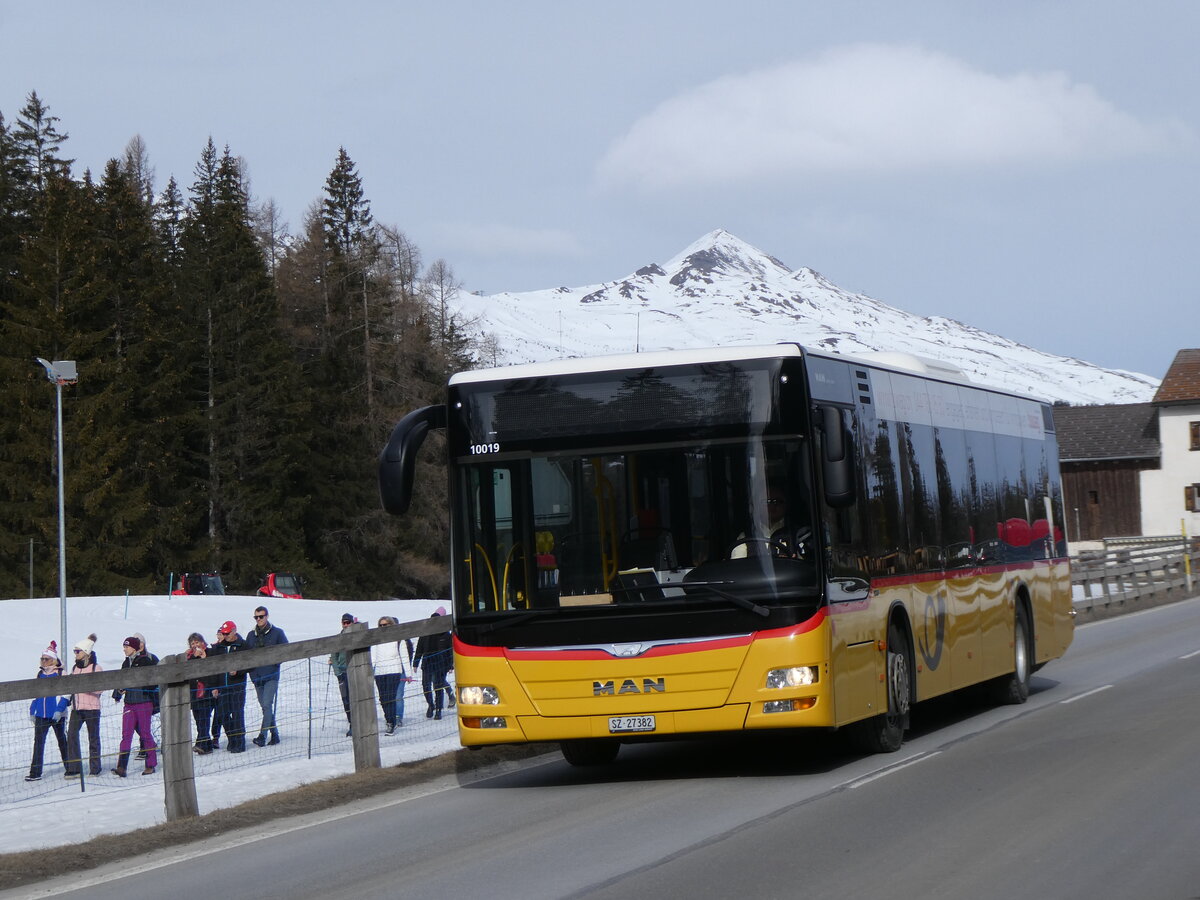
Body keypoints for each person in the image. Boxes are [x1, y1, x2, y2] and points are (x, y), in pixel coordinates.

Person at [111, 636, 158, 777]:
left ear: (134, 648)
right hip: (129, 703)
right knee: (126, 735)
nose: (124, 649)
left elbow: (152, 680)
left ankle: (150, 764)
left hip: (143, 702)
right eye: (124, 646)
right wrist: (118, 691)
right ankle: (121, 766)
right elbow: (121, 679)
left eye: (127, 646)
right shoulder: (126, 663)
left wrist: (140, 687)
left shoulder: (145, 661)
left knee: (145, 733)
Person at [245, 605, 288, 747]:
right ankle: (274, 734)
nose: (258, 619)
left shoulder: (277, 633)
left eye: (261, 616)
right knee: (265, 707)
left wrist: (275, 664)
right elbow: (246, 655)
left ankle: (262, 736)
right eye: (256, 617)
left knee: (266, 704)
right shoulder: (251, 635)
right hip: (257, 677)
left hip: (271, 675)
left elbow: (286, 650)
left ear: (267, 616)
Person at [27, 642, 69, 782]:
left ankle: (70, 767)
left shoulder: (61, 674)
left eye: (46, 659)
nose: (43, 661)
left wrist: (59, 710)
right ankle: (35, 772)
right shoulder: (40, 674)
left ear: (53, 660)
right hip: (41, 714)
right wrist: (33, 710)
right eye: (42, 659)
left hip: (56, 714)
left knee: (62, 740)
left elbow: (66, 694)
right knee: (38, 742)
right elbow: (37, 693)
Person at [64, 634, 103, 778]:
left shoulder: (96, 668)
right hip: (77, 709)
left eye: (78, 651)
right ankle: (74, 768)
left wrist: (85, 687)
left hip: (92, 708)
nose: (75, 654)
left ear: (86, 652)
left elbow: (100, 688)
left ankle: (95, 768)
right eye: (75, 651)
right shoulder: (75, 668)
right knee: (72, 735)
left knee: (93, 738)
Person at [209, 621, 248, 753]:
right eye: (223, 633)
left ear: (234, 631)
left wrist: (238, 671)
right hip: (223, 686)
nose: (225, 636)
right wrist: (215, 686)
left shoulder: (243, 645)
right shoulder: (219, 648)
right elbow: (214, 668)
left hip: (237, 685)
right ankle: (232, 739)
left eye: (227, 633)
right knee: (223, 714)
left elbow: (250, 663)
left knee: (237, 714)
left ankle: (240, 742)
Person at [371, 616, 414, 735]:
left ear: (391, 625)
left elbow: (404, 657)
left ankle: (391, 722)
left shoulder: (398, 639)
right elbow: (373, 657)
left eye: (386, 625)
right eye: (381, 625)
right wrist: (371, 671)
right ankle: (389, 718)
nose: (383, 627)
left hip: (394, 670)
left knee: (391, 697)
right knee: (383, 698)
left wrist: (408, 674)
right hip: (379, 672)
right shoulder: (376, 639)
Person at [413, 610, 453, 720]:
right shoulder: (425, 634)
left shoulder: (445, 634)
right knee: (426, 686)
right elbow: (419, 649)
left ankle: (439, 709)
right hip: (427, 663)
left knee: (438, 687)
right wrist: (416, 663)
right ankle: (431, 705)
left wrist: (450, 665)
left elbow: (450, 650)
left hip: (441, 664)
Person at [186, 633, 217, 754]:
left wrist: (204, 658)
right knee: (198, 719)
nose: (195, 645)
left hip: (207, 691)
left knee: (204, 718)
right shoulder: (189, 656)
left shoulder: (210, 652)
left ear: (202, 642)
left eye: (197, 642)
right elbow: (189, 671)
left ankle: (200, 743)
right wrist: (194, 657)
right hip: (194, 692)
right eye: (192, 643)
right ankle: (207, 745)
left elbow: (213, 670)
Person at [329, 613, 356, 736]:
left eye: (348, 622)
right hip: (343, 672)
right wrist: (337, 672)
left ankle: (358, 722)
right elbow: (334, 656)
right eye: (344, 622)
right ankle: (352, 723)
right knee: (346, 699)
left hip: (355, 672)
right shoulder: (338, 638)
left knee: (357, 698)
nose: (346, 625)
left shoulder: (357, 636)